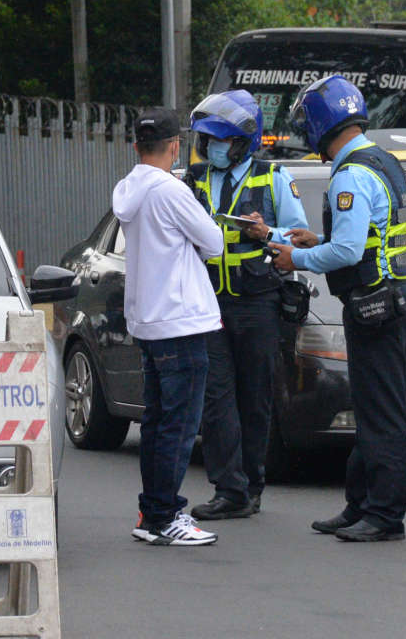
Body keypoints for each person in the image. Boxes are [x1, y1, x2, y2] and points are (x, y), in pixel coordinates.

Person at [269, 75, 406, 542]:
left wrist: (297, 258)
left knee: (382, 415)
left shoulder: (350, 173)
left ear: (320, 125)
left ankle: (384, 515)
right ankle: (360, 504)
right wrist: (319, 240)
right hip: (398, 299)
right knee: (373, 408)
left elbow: (350, 252)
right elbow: (368, 238)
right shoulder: (383, 161)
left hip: (377, 307)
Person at [182, 90, 309, 521]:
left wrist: (266, 232)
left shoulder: (271, 176)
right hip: (208, 302)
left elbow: (298, 236)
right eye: (209, 141)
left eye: (222, 141)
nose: (213, 148)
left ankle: (252, 486)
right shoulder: (193, 179)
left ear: (243, 142)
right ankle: (228, 489)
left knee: (254, 397)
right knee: (216, 398)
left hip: (258, 302)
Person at [113, 107, 223, 546]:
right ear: (176, 146)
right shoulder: (171, 191)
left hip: (149, 319)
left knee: (158, 423)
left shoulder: (128, 189)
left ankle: (152, 512)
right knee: (177, 425)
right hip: (181, 319)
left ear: (136, 146)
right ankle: (165, 516)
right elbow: (213, 242)